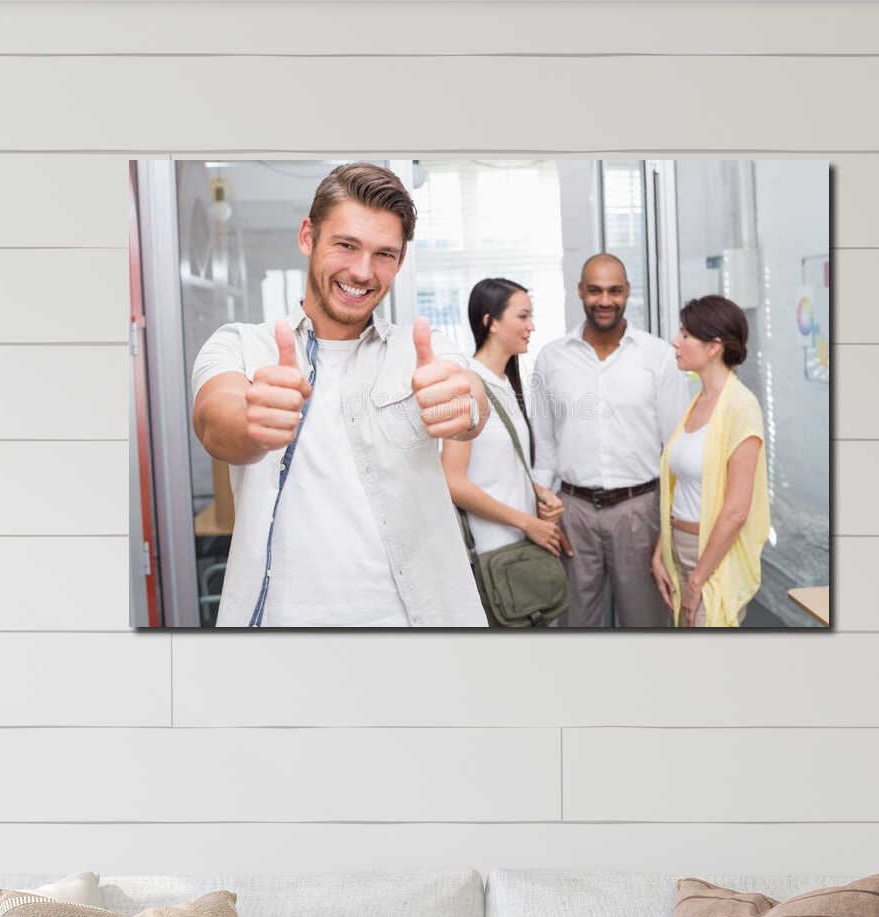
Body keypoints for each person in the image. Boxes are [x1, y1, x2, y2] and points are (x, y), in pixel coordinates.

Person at [189, 162, 490, 628]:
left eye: (384, 254)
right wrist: (252, 423)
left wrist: (465, 405)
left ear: (400, 261)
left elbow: (470, 396)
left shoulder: (425, 350)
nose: (363, 272)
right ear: (309, 237)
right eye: (346, 245)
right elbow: (214, 419)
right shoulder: (241, 345)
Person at [527, 253, 693, 628]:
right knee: (574, 625)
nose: (605, 301)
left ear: (628, 293)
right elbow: (545, 449)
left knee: (646, 623)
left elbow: (675, 451)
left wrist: (667, 528)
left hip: (640, 511)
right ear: (580, 292)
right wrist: (540, 512)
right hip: (573, 511)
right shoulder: (551, 359)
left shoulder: (659, 357)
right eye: (596, 291)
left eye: (614, 291)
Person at [439, 278, 569, 613]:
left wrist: (539, 494)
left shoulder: (505, 384)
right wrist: (527, 523)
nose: (532, 326)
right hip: (490, 555)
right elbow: (453, 482)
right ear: (490, 322)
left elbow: (499, 468)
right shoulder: (467, 384)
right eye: (523, 317)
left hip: (517, 551)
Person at [652, 294, 768, 629]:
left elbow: (736, 510)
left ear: (714, 346)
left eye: (686, 334)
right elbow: (686, 487)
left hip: (710, 557)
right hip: (680, 548)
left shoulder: (740, 407)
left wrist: (697, 580)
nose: (675, 341)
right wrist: (663, 544)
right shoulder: (700, 400)